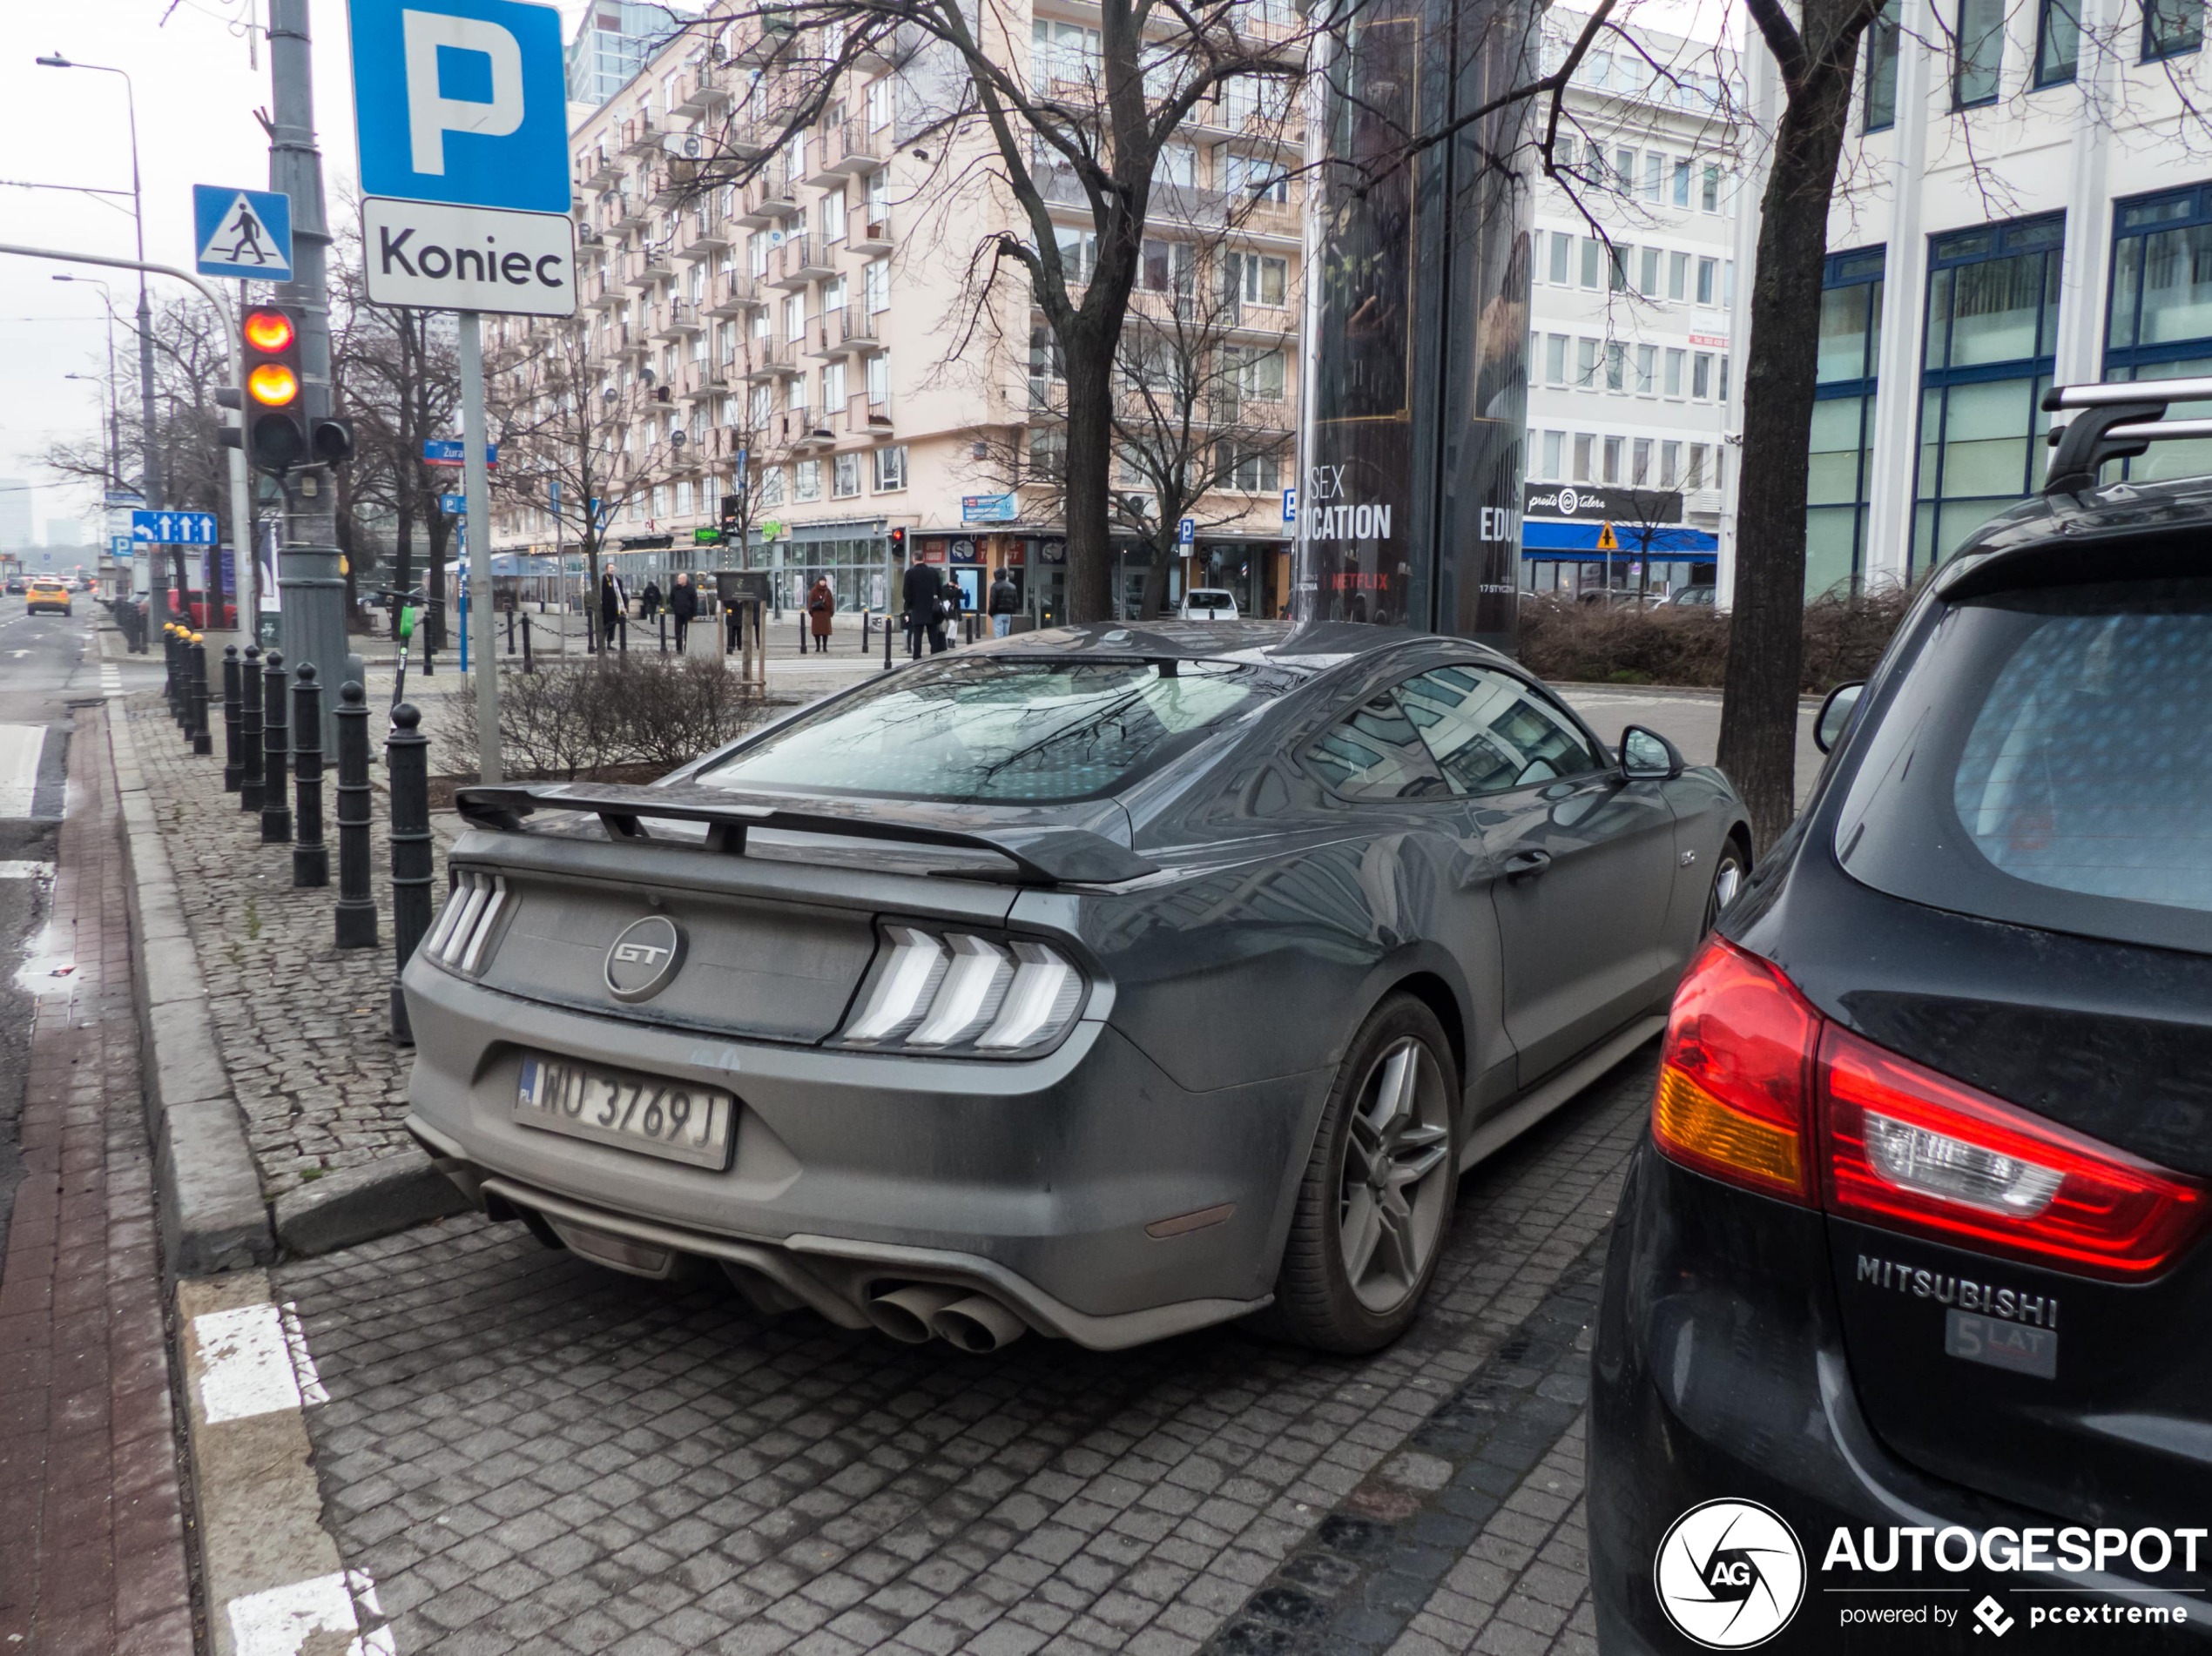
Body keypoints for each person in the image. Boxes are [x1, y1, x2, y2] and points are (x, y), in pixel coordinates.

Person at [900, 551, 944, 659]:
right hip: (932, 609)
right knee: (933, 635)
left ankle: (917, 657)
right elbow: (939, 590)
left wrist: (909, 606)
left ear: (913, 559)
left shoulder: (910, 573)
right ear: (923, 558)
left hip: (917, 609)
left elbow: (906, 593)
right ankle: (934, 656)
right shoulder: (933, 572)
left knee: (917, 636)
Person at [598, 568, 625, 650]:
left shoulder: (618, 581)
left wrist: (623, 606)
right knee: (605, 625)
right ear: (606, 569)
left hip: (615, 606)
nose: (612, 570)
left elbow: (621, 594)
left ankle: (609, 643)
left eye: (613, 568)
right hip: (606, 606)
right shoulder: (603, 579)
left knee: (612, 626)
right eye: (610, 568)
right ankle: (600, 643)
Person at [806, 575, 834, 653]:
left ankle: (825, 647)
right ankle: (818, 647)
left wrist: (831, 612)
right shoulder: (814, 590)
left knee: (825, 633)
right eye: (821, 580)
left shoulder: (827, 591)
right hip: (817, 614)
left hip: (825, 614)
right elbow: (810, 601)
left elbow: (831, 602)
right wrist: (811, 611)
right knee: (817, 632)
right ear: (818, 581)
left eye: (824, 581)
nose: (823, 582)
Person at [670, 571, 698, 651]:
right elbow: (672, 598)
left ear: (685, 579)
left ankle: (687, 648)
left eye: (680, 579)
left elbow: (694, 601)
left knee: (687, 632)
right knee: (678, 632)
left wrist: (694, 613)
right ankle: (679, 649)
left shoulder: (691, 589)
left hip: (688, 613)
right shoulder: (675, 588)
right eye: (678, 578)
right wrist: (674, 607)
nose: (678, 580)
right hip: (678, 613)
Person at [988, 569, 1019, 638]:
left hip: (997, 613)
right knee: (1006, 636)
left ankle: (1000, 649)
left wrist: (991, 612)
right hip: (1008, 614)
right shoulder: (1012, 586)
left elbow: (992, 601)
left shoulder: (995, 586)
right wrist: (1012, 611)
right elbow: (1016, 602)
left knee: (998, 636)